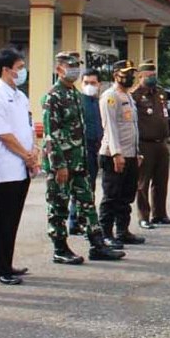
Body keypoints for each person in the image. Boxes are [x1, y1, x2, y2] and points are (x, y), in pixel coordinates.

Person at [41, 52, 125, 263]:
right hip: (61, 164)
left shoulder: (75, 95)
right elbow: (50, 135)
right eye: (70, 66)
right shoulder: (53, 96)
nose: (75, 70)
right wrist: (58, 165)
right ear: (59, 69)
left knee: (87, 203)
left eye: (77, 66)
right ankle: (60, 248)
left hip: (79, 161)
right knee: (58, 207)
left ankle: (97, 245)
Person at [0, 47, 38, 285]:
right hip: (3, 167)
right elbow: (3, 134)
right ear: (5, 70)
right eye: (19, 68)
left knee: (13, 218)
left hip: (21, 165)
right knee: (1, 219)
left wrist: (33, 153)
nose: (23, 72)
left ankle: (7, 262)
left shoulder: (20, 96)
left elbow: (28, 127)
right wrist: (26, 154)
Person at [98, 60, 145, 247]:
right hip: (113, 155)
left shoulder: (128, 97)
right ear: (115, 75)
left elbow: (132, 128)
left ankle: (122, 231)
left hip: (130, 153)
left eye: (131, 73)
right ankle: (105, 234)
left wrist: (137, 152)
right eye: (125, 73)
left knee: (126, 196)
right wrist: (117, 154)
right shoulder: (110, 97)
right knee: (111, 195)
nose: (130, 77)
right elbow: (110, 128)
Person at [133, 59, 170, 229]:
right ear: (141, 76)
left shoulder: (160, 93)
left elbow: (164, 114)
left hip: (161, 143)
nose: (152, 78)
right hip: (145, 143)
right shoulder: (136, 96)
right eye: (149, 75)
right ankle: (144, 216)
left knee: (161, 180)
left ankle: (160, 213)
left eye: (154, 75)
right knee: (143, 182)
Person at [69, 69, 103, 232]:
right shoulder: (78, 101)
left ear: (99, 84)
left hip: (95, 147)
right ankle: (75, 221)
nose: (90, 86)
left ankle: (83, 219)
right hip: (81, 148)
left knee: (90, 186)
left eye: (93, 83)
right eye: (86, 83)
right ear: (81, 84)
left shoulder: (97, 102)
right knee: (80, 186)